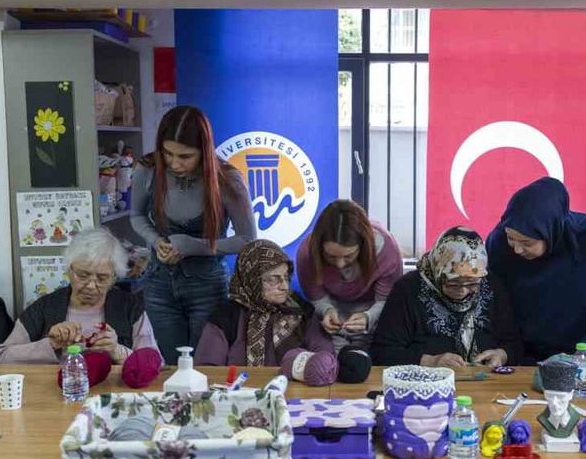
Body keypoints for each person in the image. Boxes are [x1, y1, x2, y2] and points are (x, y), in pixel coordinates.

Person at [130, 106, 256, 360]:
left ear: (204, 151)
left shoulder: (227, 179)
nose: (174, 163)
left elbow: (247, 239)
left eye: (185, 156)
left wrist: (193, 246)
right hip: (158, 284)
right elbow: (137, 216)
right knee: (171, 365)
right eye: (167, 153)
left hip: (207, 286)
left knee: (205, 366)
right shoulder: (148, 168)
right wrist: (156, 242)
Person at [486, 178, 586, 363]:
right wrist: (504, 350)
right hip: (522, 358)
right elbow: (491, 304)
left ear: (551, 231)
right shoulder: (499, 242)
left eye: (527, 243)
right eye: (511, 239)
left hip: (582, 356)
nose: (516, 249)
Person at [0, 228, 157, 364]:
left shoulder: (129, 306)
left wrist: (117, 351)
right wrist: (51, 344)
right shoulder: (45, 307)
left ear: (114, 277)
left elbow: (155, 364)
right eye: (83, 275)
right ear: (69, 271)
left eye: (102, 278)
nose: (91, 286)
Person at [371, 227, 521, 368]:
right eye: (453, 283)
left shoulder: (492, 286)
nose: (462, 291)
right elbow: (382, 352)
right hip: (427, 384)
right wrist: (430, 361)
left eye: (472, 284)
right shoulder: (409, 289)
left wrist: (502, 355)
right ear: (438, 271)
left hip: (485, 381)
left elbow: (514, 343)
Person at [196, 239, 333, 367]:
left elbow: (326, 356)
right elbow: (207, 369)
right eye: (274, 279)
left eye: (286, 277)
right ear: (252, 279)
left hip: (295, 390)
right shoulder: (226, 315)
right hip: (238, 391)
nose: (284, 286)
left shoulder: (300, 309)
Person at [294, 200, 403, 352]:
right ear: (319, 248)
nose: (340, 264)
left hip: (376, 310)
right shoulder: (307, 253)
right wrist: (327, 310)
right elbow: (316, 299)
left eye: (349, 256)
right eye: (330, 257)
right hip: (332, 312)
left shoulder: (386, 250)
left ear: (363, 246)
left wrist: (368, 317)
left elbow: (388, 301)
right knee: (328, 355)